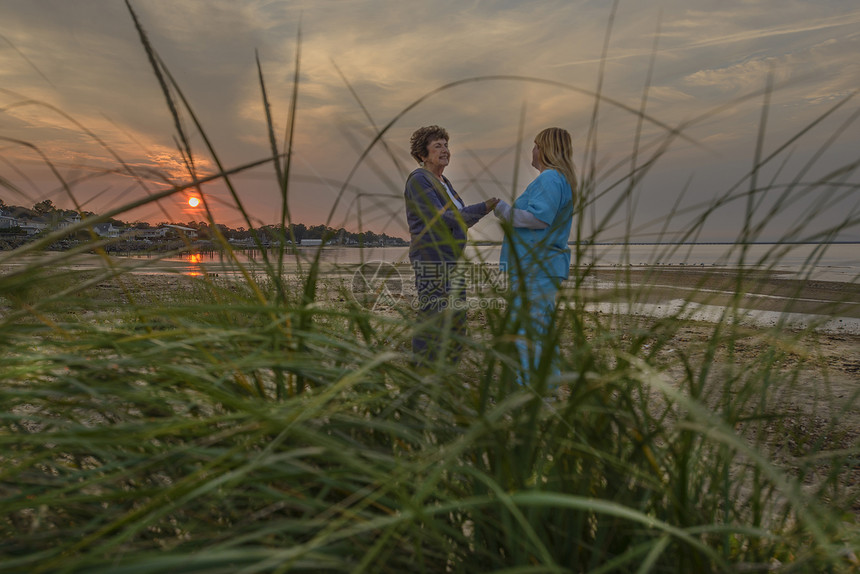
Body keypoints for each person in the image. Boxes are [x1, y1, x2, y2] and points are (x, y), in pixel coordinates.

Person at [404, 125, 499, 365]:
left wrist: (473, 214)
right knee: (433, 315)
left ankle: (449, 369)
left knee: (456, 315)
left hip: (452, 260)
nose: (445, 150)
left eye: (446, 145)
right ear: (422, 155)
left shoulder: (443, 181)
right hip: (432, 259)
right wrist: (484, 208)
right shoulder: (419, 180)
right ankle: (421, 371)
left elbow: (460, 222)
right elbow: (442, 219)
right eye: (438, 145)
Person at [494, 127, 577, 385]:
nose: (533, 150)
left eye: (536, 145)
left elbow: (539, 219)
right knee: (539, 328)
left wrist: (503, 211)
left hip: (535, 266)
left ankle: (530, 388)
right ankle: (545, 385)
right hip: (541, 266)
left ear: (546, 149)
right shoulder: (559, 179)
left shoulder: (550, 179)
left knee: (528, 329)